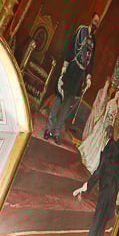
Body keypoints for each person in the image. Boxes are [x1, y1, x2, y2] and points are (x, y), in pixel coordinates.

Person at [72, 98, 119, 236]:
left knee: (97, 222)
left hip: (109, 188)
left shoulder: (115, 147)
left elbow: (101, 169)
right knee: (101, 219)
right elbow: (99, 169)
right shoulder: (111, 145)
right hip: (108, 186)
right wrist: (85, 187)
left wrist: (85, 187)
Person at [46, 10, 102, 144]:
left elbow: (91, 61)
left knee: (68, 104)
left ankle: (56, 132)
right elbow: (71, 48)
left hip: (80, 76)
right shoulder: (81, 31)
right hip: (71, 69)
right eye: (95, 21)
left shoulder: (94, 41)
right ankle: (48, 129)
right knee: (60, 98)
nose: (96, 24)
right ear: (91, 20)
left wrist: (88, 77)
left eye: (98, 23)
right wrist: (64, 67)